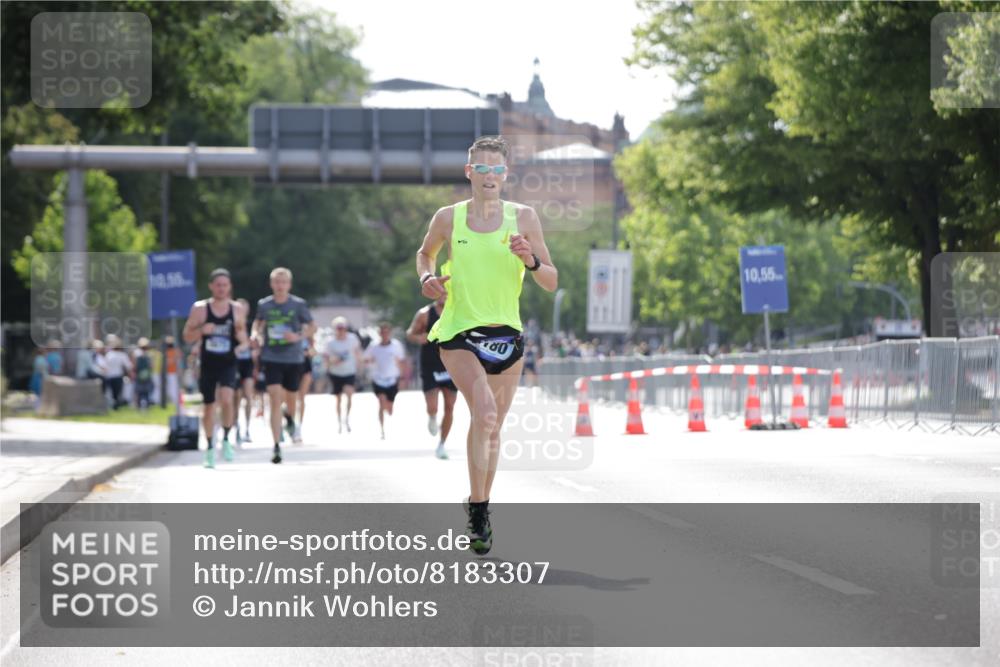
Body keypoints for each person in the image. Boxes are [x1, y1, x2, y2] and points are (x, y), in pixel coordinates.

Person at [416, 135, 558, 554]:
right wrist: (427, 279)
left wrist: (530, 258)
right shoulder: (448, 218)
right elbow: (425, 254)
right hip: (459, 332)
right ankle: (479, 511)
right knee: (486, 410)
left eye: (498, 169)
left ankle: (479, 506)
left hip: (505, 335)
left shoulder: (524, 218)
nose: (490, 176)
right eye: (483, 169)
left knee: (491, 427)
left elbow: (550, 280)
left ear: (506, 174)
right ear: (469, 172)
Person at [182, 268, 248, 468]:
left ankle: (226, 438)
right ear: (211, 286)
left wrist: (242, 346)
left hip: (228, 361)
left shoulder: (236, 309)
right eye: (218, 285)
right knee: (209, 406)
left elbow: (243, 338)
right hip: (208, 363)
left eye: (225, 285)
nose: (221, 288)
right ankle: (210, 447)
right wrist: (202, 330)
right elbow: (187, 336)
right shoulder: (200, 309)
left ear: (230, 287)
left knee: (227, 400)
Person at [252, 267, 315, 464]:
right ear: (271, 284)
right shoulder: (264, 305)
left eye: (283, 282)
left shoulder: (298, 305)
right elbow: (257, 323)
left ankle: (290, 418)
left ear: (289, 284)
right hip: (271, 357)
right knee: (274, 396)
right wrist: (256, 335)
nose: (280, 286)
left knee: (291, 399)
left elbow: (312, 327)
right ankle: (276, 445)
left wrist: (298, 336)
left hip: (293, 358)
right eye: (276, 282)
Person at [406, 294, 457, 459]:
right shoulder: (425, 313)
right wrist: (419, 337)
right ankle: (432, 416)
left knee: (450, 406)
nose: (444, 295)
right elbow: (410, 333)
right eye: (441, 292)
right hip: (430, 364)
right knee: (433, 406)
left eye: (447, 291)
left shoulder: (457, 311)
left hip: (451, 363)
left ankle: (442, 444)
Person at [363, 322, 407, 440]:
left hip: (392, 379)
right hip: (378, 379)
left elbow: (402, 361)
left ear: (390, 333)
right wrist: (369, 361)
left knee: (389, 407)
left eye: (387, 332)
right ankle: (382, 430)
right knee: (381, 402)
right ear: (379, 333)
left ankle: (389, 408)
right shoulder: (374, 346)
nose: (384, 334)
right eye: (382, 332)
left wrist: (403, 377)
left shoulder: (396, 346)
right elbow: (365, 359)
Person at [324, 316, 363, 434]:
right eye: (339, 328)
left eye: (343, 328)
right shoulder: (330, 342)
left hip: (349, 371)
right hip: (335, 372)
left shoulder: (352, 339)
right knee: (338, 399)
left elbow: (357, 353)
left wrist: (360, 365)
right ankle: (339, 421)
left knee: (349, 393)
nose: (341, 330)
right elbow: (326, 358)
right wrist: (333, 361)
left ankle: (347, 419)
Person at [233, 297, 255, 444]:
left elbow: (255, 342)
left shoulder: (251, 325)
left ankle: (247, 428)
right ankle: (236, 428)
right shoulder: (232, 324)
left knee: (248, 396)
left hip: (247, 363)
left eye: (244, 307)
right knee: (235, 397)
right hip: (234, 362)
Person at [291, 333, 316, 443]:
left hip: (305, 367)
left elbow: (313, 352)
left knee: (301, 398)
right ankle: (288, 420)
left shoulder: (308, 336)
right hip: (291, 367)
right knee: (290, 398)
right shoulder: (289, 334)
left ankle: (298, 427)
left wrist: (308, 352)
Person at [102, 334, 133, 410]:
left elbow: (105, 366)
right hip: (117, 376)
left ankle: (113, 406)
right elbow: (128, 366)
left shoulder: (109, 355)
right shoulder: (122, 355)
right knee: (117, 393)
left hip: (109, 376)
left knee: (112, 393)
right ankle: (115, 406)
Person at [133, 337, 155, 410]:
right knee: (145, 392)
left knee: (140, 392)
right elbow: (151, 366)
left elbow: (135, 366)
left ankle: (140, 405)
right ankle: (145, 405)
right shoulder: (148, 354)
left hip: (140, 375)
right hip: (145, 375)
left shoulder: (136, 353)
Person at [164, 336, 181, 407]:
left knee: (173, 388)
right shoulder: (165, 352)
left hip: (173, 372)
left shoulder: (176, 351)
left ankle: (175, 402)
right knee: (168, 389)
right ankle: (170, 402)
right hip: (167, 372)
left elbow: (178, 361)